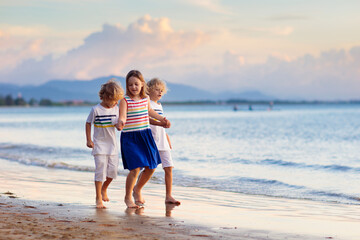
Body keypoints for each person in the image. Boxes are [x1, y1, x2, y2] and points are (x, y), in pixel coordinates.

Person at [116, 70, 170, 208]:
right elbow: (122, 116)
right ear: (127, 86)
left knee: (151, 166)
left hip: (145, 136)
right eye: (130, 85)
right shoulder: (124, 101)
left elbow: (150, 112)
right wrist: (121, 122)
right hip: (131, 137)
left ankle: (137, 189)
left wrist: (162, 119)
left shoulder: (146, 99)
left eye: (136, 84)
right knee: (135, 169)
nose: (133, 87)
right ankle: (128, 197)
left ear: (142, 85)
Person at [85, 79, 124, 209]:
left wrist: (120, 126)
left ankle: (104, 188)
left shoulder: (116, 109)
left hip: (113, 146)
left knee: (112, 172)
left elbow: (119, 124)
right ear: (106, 97)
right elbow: (88, 123)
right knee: (100, 171)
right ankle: (98, 198)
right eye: (114, 100)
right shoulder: (96, 109)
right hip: (99, 146)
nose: (116, 103)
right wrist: (89, 140)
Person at [147, 78, 180, 205]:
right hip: (152, 140)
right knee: (149, 168)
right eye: (157, 90)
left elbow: (162, 126)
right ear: (149, 90)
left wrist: (166, 137)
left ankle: (168, 195)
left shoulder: (160, 105)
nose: (160, 92)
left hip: (163, 141)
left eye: (162, 91)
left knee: (169, 167)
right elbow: (149, 121)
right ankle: (136, 189)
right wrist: (161, 124)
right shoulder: (148, 103)